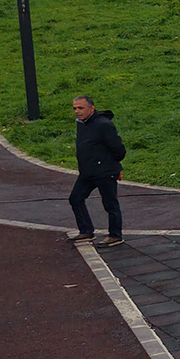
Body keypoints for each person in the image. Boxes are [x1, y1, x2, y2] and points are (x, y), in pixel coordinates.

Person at [68, 95, 126, 247]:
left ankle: (115, 235)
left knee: (110, 204)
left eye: (80, 108)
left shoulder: (103, 124)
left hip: (105, 172)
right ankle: (86, 230)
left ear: (91, 108)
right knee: (75, 198)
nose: (77, 111)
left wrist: (113, 165)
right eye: (75, 108)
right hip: (87, 173)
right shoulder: (81, 124)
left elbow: (119, 149)